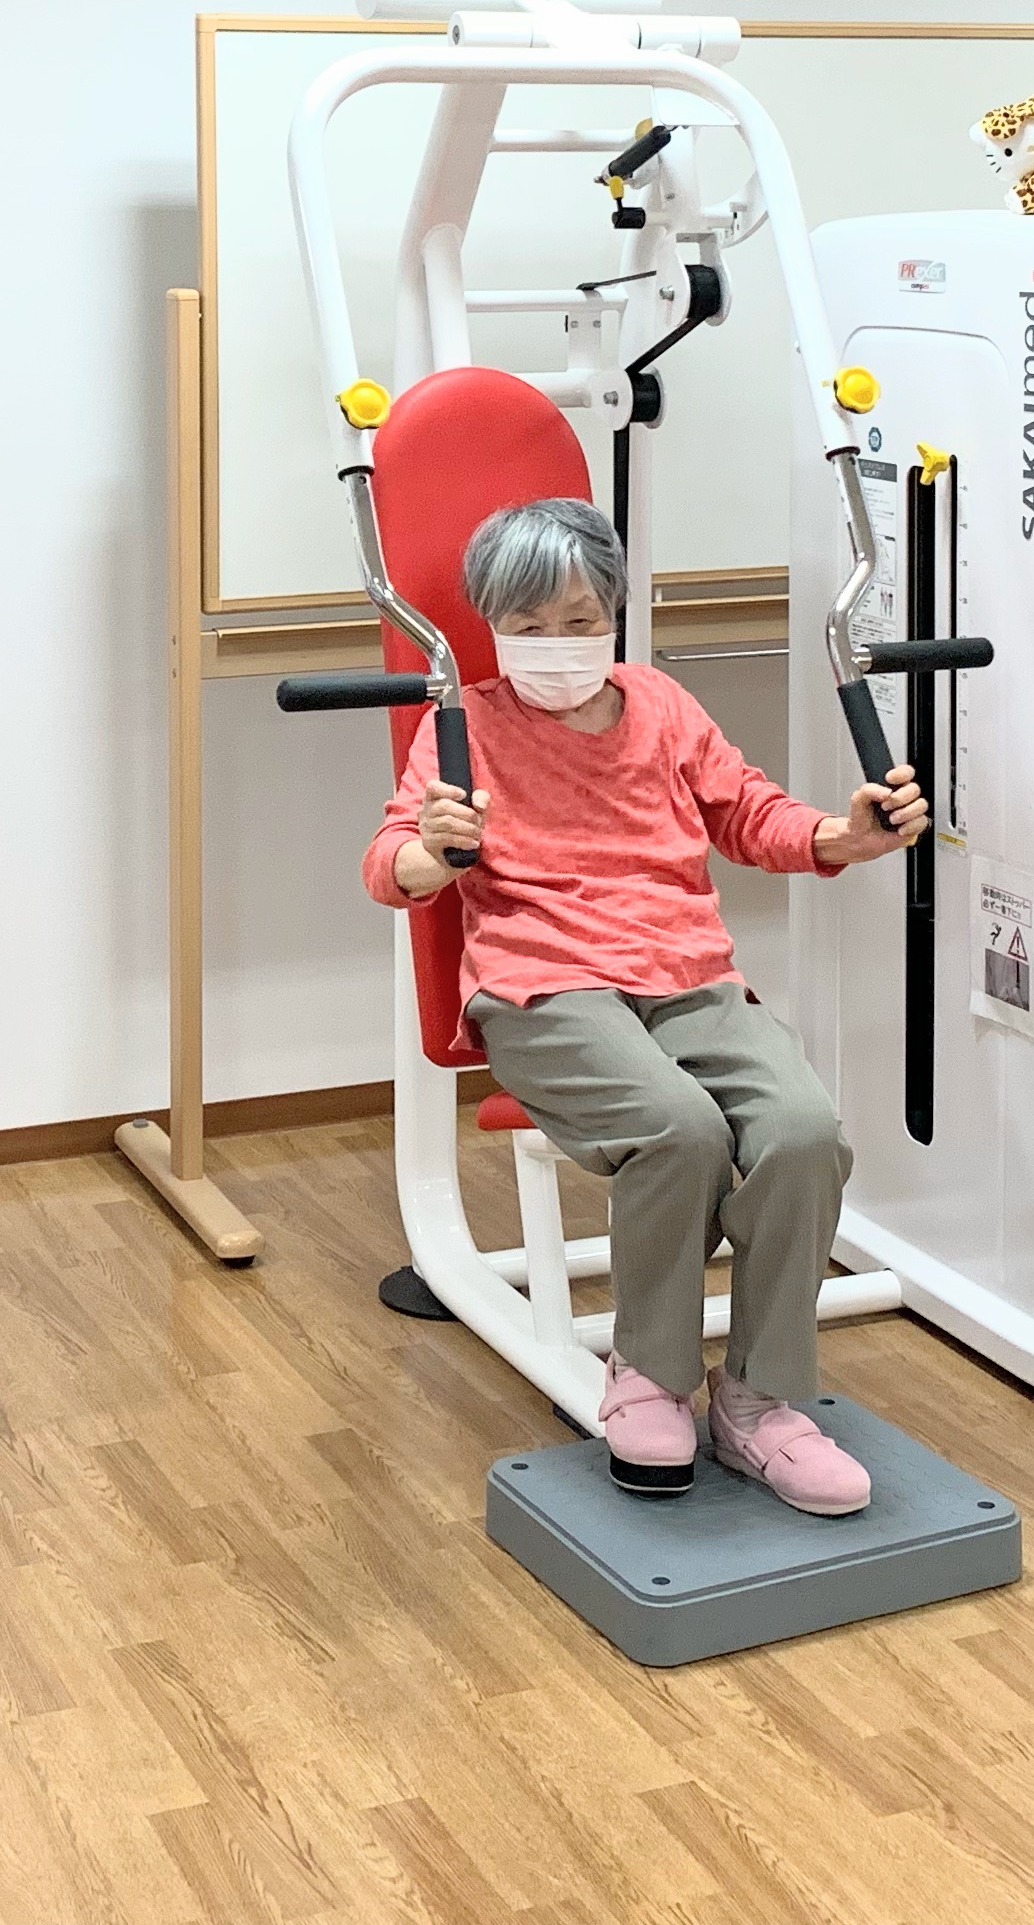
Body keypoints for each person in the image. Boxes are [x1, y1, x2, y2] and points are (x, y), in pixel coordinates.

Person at [363, 497, 926, 1511]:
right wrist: (431, 855)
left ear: (614, 614)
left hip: (688, 974)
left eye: (580, 621)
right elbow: (390, 859)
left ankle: (757, 1401)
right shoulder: (466, 727)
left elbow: (748, 813)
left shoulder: (662, 705)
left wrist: (841, 837)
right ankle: (652, 1376)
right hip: (543, 986)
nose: (558, 644)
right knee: (680, 1131)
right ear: (494, 626)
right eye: (531, 625)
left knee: (802, 1134)